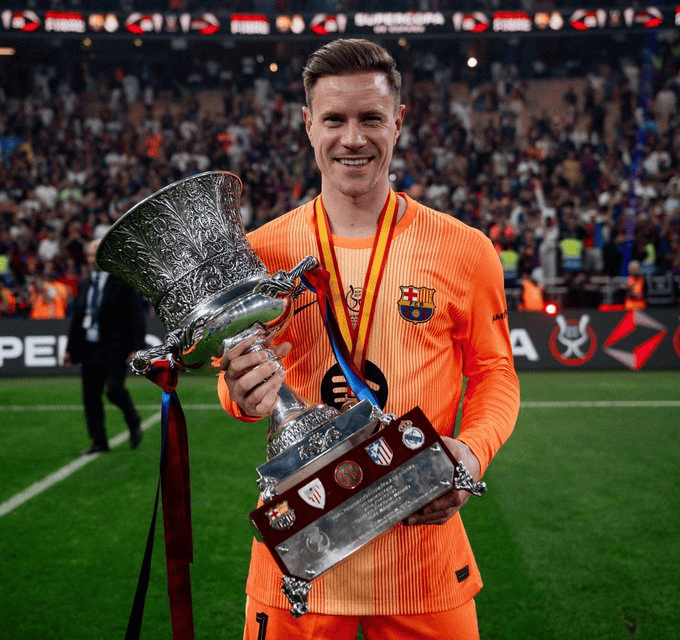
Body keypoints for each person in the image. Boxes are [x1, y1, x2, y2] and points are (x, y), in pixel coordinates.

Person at [217, 39, 520, 640]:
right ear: (308, 124)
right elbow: (238, 387)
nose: (352, 138)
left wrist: (470, 453)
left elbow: (495, 373)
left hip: (422, 561)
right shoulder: (259, 254)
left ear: (398, 122)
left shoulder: (465, 250)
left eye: (370, 119)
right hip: (299, 567)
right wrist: (240, 394)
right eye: (334, 119)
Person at [64, 239, 147, 454]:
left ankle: (133, 420)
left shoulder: (123, 280)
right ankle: (99, 441)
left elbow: (136, 315)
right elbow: (77, 319)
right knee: (90, 397)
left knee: (114, 391)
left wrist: (137, 347)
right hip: (89, 348)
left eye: (96, 254)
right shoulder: (85, 283)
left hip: (116, 348)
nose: (92, 259)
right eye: (89, 256)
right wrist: (69, 349)